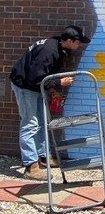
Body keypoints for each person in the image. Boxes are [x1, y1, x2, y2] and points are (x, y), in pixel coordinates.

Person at [9, 25, 91, 180]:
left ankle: (43, 157)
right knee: (30, 123)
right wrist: (59, 82)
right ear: (69, 40)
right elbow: (34, 78)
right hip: (25, 86)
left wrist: (52, 87)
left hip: (35, 86)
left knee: (41, 122)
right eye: (78, 42)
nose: (80, 45)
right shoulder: (49, 51)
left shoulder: (60, 48)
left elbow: (45, 75)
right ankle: (30, 166)